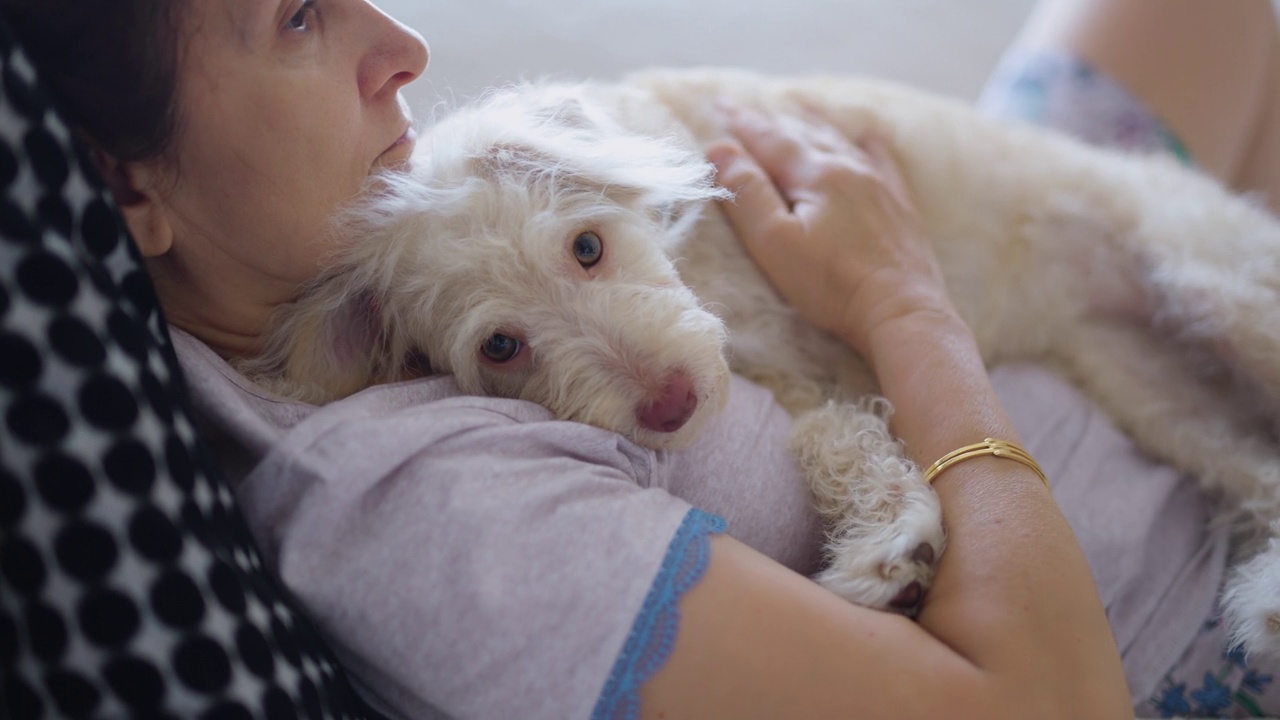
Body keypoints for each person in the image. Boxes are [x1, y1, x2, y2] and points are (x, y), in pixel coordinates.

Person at [1, 0, 1275, 718]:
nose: (402, 48)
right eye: (295, 18)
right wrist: (902, 298)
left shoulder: (377, 255)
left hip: (1005, 262)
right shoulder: (421, 512)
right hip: (1171, 587)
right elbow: (1048, 710)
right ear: (126, 184)